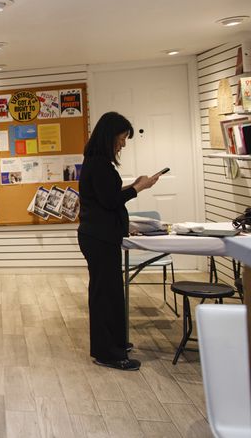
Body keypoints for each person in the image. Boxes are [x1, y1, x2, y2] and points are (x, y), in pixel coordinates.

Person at [77, 112, 160, 371]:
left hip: (100, 236)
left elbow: (108, 196)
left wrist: (133, 186)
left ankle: (114, 343)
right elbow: (111, 202)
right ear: (110, 136)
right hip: (99, 237)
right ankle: (107, 352)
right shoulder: (99, 164)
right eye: (122, 138)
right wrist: (138, 189)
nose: (123, 144)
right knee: (105, 294)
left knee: (110, 292)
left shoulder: (96, 163)